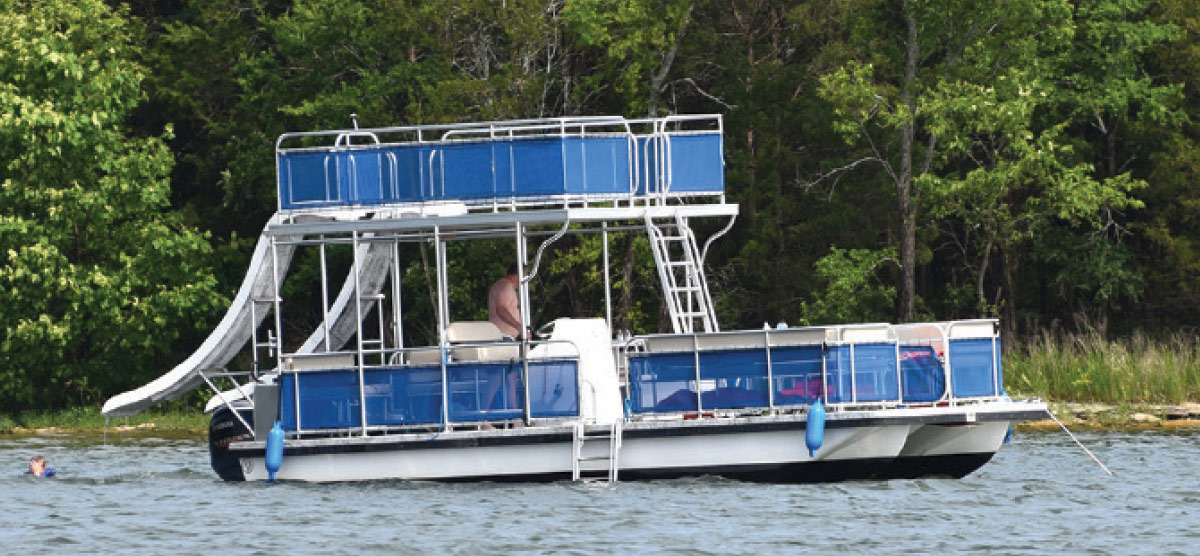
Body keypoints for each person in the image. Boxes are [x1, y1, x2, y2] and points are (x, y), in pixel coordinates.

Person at [484, 263, 524, 424]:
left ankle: (515, 418)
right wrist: (518, 326)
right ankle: (482, 416)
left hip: (508, 339)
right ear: (517, 275)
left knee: (511, 379)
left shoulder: (501, 286)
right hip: (502, 338)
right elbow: (501, 309)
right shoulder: (505, 286)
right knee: (496, 379)